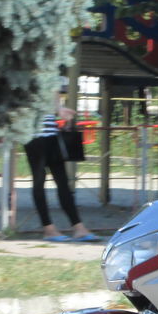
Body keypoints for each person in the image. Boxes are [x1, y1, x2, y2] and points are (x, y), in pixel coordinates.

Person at [26, 100, 98, 242]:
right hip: (32, 136)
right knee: (39, 181)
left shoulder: (51, 79)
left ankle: (79, 228)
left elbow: (54, 100)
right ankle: (49, 229)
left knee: (63, 182)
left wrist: (60, 109)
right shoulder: (29, 79)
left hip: (52, 135)